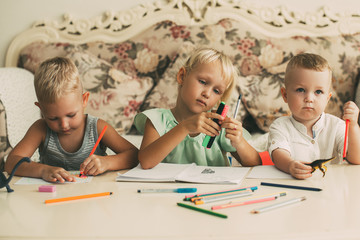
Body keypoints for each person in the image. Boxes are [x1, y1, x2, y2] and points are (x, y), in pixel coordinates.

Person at [5, 57, 138, 182]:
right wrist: (43, 170)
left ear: (84, 100)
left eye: (71, 115)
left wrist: (107, 163)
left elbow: (135, 155)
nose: (64, 124)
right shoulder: (40, 129)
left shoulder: (97, 127)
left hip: (93, 197)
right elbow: (11, 163)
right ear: (41, 109)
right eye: (53, 118)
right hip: (52, 198)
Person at [134, 47, 261, 169]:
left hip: (211, 190)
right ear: (182, 76)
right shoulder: (158, 120)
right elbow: (145, 161)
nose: (207, 94)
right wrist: (184, 127)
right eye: (203, 82)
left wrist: (239, 142)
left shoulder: (217, 126)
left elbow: (255, 163)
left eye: (216, 91)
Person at [268, 53, 360, 179]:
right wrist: (290, 165)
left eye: (318, 92)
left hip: (333, 188)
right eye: (301, 90)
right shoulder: (280, 126)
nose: (309, 99)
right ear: (285, 95)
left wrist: (353, 125)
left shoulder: (337, 126)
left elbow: (356, 159)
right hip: (296, 187)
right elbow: (278, 153)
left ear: (327, 99)